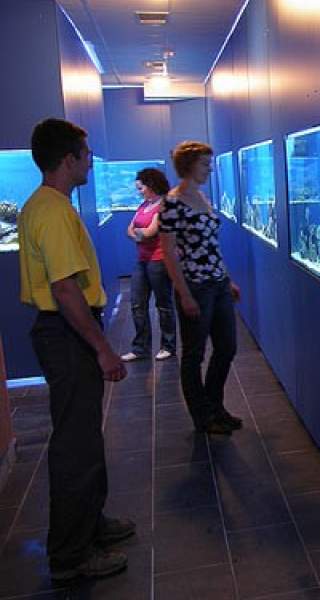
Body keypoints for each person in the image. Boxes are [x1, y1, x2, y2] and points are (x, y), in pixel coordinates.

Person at [18, 118, 134, 582]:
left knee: (84, 435)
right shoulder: (52, 211)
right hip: (66, 334)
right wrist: (103, 349)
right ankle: (71, 555)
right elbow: (65, 290)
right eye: (86, 156)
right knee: (76, 446)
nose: (90, 162)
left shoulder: (48, 205)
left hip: (64, 332)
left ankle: (91, 524)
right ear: (68, 160)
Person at [159, 141, 242, 435]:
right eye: (205, 164)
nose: (210, 169)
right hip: (195, 286)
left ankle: (215, 405)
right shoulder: (172, 202)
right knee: (194, 354)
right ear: (188, 165)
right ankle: (202, 416)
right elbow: (168, 252)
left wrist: (227, 279)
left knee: (227, 348)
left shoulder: (202, 197)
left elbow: (211, 246)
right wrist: (183, 293)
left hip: (217, 283)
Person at [121, 168, 177, 362]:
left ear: (151, 185)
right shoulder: (144, 205)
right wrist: (140, 233)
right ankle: (140, 348)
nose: (139, 192)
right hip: (142, 260)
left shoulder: (164, 205)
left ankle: (168, 346)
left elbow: (149, 232)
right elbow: (130, 230)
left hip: (159, 261)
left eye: (141, 188)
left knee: (163, 304)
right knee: (137, 304)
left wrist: (139, 233)